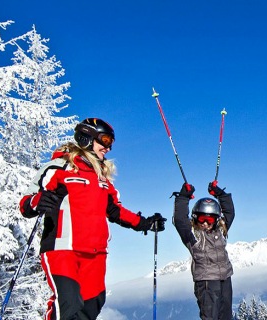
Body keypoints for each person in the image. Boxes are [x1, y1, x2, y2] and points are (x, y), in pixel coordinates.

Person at [18, 118, 166, 320]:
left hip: (96, 254)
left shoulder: (101, 179)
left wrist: (145, 223)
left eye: (110, 143)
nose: (108, 147)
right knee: (68, 307)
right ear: (87, 137)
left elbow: (115, 210)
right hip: (63, 249)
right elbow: (26, 202)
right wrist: (38, 201)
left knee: (92, 307)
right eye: (104, 140)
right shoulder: (60, 167)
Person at [172, 181, 236, 320]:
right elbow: (180, 220)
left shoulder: (220, 230)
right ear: (195, 217)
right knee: (210, 317)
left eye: (210, 219)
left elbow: (229, 212)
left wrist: (220, 194)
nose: (205, 223)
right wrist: (183, 197)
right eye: (202, 219)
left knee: (226, 317)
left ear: (216, 219)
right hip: (207, 283)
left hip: (225, 279)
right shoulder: (193, 236)